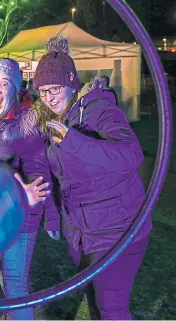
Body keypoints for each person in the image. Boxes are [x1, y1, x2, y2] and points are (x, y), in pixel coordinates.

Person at [33, 35, 152, 320]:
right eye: (43, 91)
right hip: (82, 235)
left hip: (118, 230)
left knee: (112, 310)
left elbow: (130, 155)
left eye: (55, 88)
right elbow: (56, 177)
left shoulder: (98, 110)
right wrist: (53, 217)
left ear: (71, 83)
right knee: (96, 305)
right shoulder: (53, 120)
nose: (49, 97)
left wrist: (73, 141)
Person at [0, 58, 60, 320]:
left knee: (16, 283)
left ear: (15, 89)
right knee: (3, 277)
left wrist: (39, 207)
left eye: (4, 84)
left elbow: (39, 179)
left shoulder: (26, 126)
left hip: (20, 212)